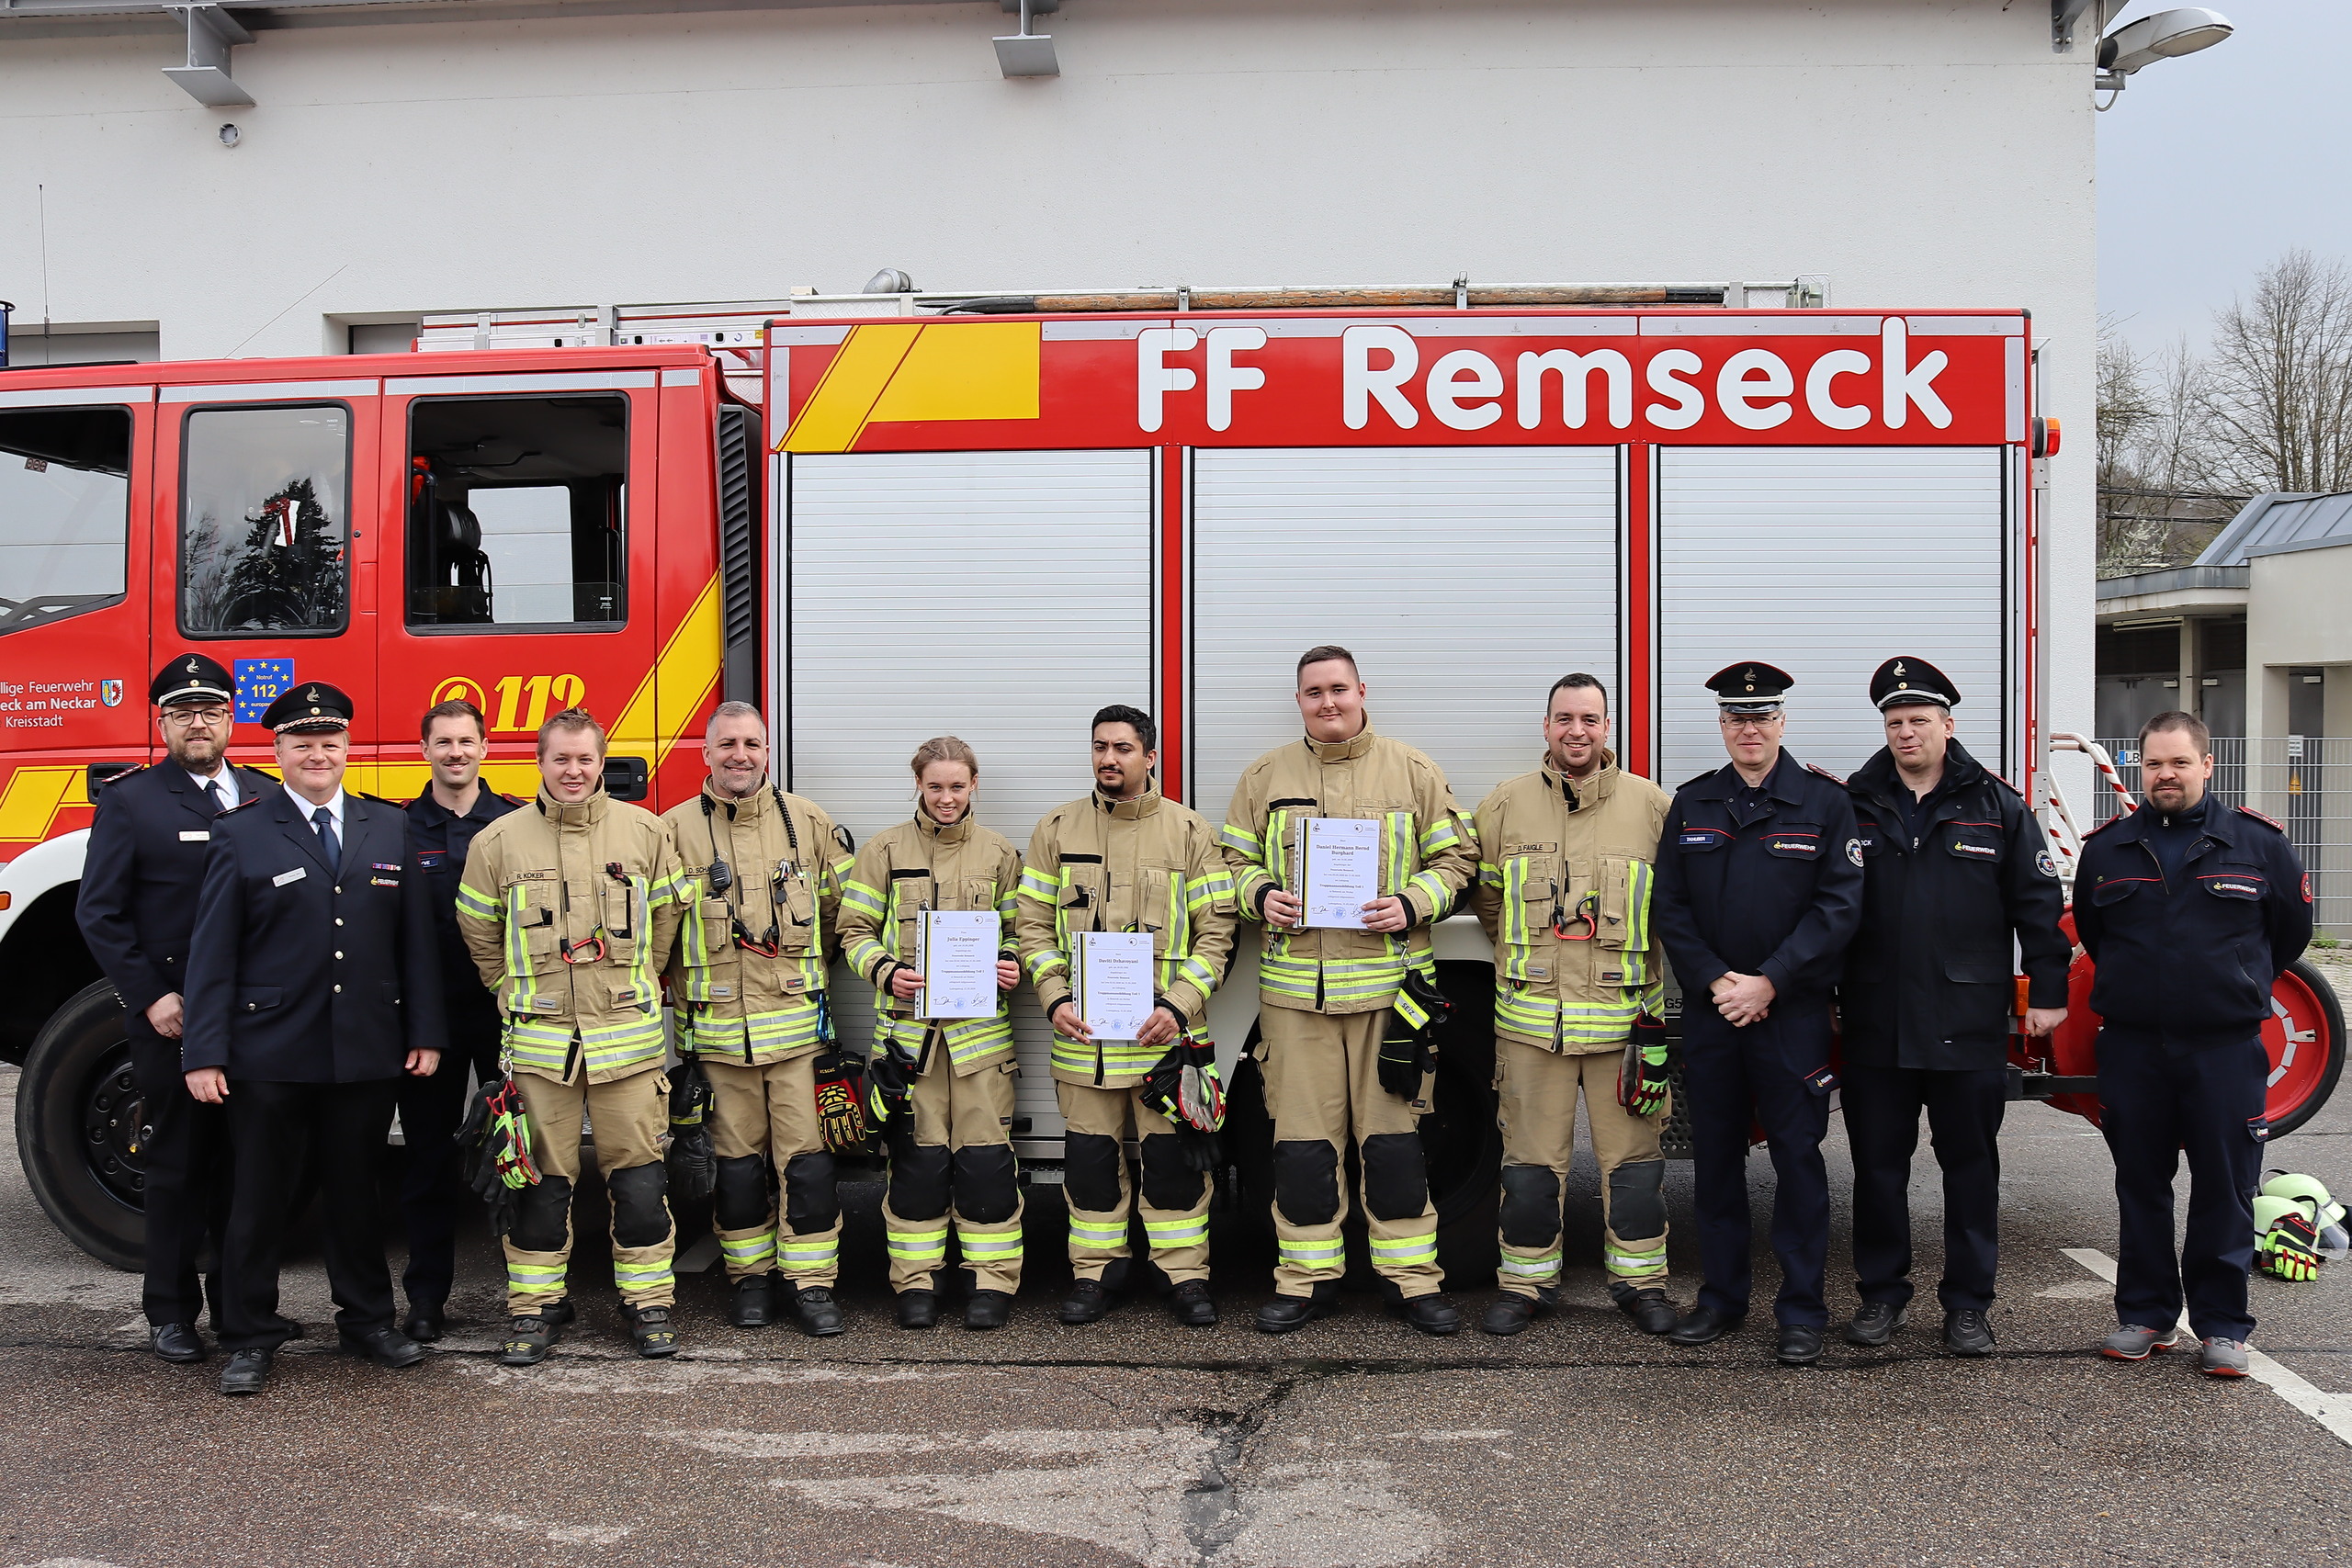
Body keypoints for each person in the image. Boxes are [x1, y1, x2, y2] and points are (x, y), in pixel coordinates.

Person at [182, 682, 446, 1396]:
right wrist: (203, 1051)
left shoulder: (387, 828)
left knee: (357, 1195)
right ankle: (248, 1333)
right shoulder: (242, 831)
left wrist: (424, 1031)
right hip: (269, 1050)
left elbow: (415, 944)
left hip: (364, 1048)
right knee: (259, 1197)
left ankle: (366, 1322)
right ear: (278, 752)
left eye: (329, 743)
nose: (317, 755)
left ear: (346, 749)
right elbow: (212, 954)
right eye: (302, 744)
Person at [1220, 646, 1478, 1336]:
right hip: (1296, 998)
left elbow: (1458, 858)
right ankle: (1305, 1281)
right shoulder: (1265, 776)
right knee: (1302, 1149)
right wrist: (1262, 894)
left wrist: (1411, 902)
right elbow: (1229, 863)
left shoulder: (1412, 770)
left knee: (1394, 1145)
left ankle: (1413, 1281)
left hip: (1389, 997)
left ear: (1363, 689)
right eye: (1313, 692)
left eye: (1339, 688)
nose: (1327, 702)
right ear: (1298, 699)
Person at [1837, 657, 2071, 1357]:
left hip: (1966, 1025)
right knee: (1878, 1170)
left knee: (1971, 1169)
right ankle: (1882, 1297)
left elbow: (2039, 905)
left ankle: (1969, 1305)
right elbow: (1827, 908)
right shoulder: (1854, 803)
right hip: (1877, 1024)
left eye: (1918, 720)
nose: (1906, 732)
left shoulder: (1995, 806)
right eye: (1894, 722)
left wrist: (2049, 993)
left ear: (1948, 724)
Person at [2075, 710, 2312, 1378]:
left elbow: (2288, 933)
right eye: (2154, 764)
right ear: (2139, 769)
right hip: (2132, 1048)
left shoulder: (2259, 845)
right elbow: (2096, 934)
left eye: (2179, 762)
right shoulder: (2107, 849)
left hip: (2224, 1048)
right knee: (2141, 1184)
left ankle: (2222, 1325)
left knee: (2225, 1186)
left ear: (2208, 765)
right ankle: (2147, 1315)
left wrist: (2228, 983)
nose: (2166, 775)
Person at [455, 708, 686, 1365]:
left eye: (585, 758)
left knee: (640, 1182)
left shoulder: (645, 831)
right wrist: (506, 983)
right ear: (540, 761)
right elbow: (477, 926)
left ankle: (648, 1302)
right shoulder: (498, 841)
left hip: (629, 1044)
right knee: (538, 1184)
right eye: (561, 758)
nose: (574, 770)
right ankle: (535, 1308)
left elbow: (667, 916)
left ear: (601, 760)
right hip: (539, 1047)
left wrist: (641, 970)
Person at [1651, 662, 1863, 1367]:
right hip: (1716, 1014)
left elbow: (1839, 909)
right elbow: (1670, 908)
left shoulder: (1825, 804)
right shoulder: (1692, 804)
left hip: (1792, 1015)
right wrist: (1717, 981)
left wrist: (1768, 981)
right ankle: (1721, 1298)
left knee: (1798, 1162)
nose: (1750, 727)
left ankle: (1802, 1310)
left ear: (1782, 722)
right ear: (1722, 725)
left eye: (1762, 715)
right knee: (1714, 1161)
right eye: (1737, 717)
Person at [75, 653, 277, 1366]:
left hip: (252, 1019)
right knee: (177, 1163)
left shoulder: (262, 793)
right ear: (161, 722)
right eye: (183, 711)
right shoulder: (132, 801)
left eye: (212, 709)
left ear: (231, 717)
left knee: (243, 1165)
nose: (199, 722)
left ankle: (238, 1309)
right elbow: (99, 912)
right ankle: (169, 1310)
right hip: (174, 1017)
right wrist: (149, 996)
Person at [1014, 705, 1238, 1328]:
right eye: (1099, 747)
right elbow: (1031, 927)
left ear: (1150, 756)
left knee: (1172, 1167)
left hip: (1167, 1042)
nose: (1108, 759)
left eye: (1122, 748)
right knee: (1089, 1166)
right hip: (1085, 1043)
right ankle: (1096, 1272)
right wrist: (1055, 997)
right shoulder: (1055, 829)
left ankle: (1184, 1275)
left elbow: (1218, 932)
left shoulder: (1189, 831)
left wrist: (1178, 1005)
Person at [1468, 674, 1677, 1337]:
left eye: (1590, 718)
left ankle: (1641, 1284)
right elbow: (1489, 904)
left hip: (1624, 1031)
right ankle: (1525, 1283)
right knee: (1529, 1168)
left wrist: (1658, 1020)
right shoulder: (1504, 806)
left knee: (1635, 1168)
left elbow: (1674, 914)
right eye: (1565, 718)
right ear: (1547, 726)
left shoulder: (1653, 808)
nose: (1576, 731)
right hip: (1533, 1031)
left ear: (1607, 726)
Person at [661, 701, 856, 1337]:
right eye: (727, 744)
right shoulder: (671, 832)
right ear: (706, 752)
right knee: (738, 1167)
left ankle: (812, 1284)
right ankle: (749, 1279)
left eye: (751, 742)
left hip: (799, 1038)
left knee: (806, 1164)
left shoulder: (809, 823)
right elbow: (655, 933)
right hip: (717, 1041)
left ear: (767, 751)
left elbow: (840, 916)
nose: (739, 754)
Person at [836, 738, 1027, 1331]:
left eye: (957, 785)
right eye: (935, 785)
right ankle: (917, 1281)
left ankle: (989, 1281)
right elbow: (852, 931)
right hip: (907, 1044)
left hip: (980, 1047)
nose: (947, 797)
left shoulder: (1000, 855)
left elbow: (1026, 930)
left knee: (986, 1166)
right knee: (915, 1165)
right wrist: (887, 971)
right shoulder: (883, 850)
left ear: (975, 785)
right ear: (917, 783)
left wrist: (1012, 962)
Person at [396, 697, 522, 1343]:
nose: (454, 752)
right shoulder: (397, 829)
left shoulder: (514, 823)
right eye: (442, 741)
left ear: (484, 746)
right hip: (428, 1023)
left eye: (465, 740)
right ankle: (425, 1298)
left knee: (517, 1157)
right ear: (424, 749)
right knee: (426, 1161)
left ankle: (531, 1295)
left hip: (504, 1016)